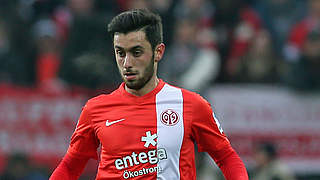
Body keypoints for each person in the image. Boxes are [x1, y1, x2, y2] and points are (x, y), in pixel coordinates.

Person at [50, 9, 248, 180]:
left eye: (136, 52)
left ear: (158, 52)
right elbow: (70, 166)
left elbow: (227, 158)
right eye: (120, 52)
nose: (127, 63)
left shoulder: (190, 104)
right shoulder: (95, 109)